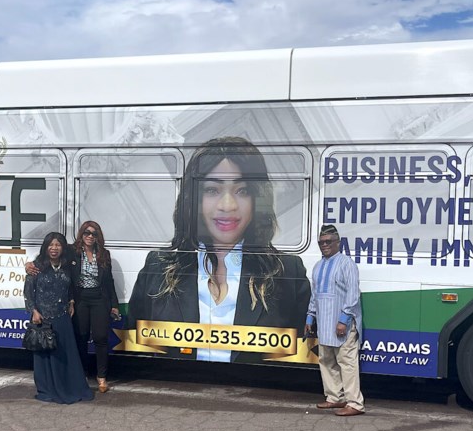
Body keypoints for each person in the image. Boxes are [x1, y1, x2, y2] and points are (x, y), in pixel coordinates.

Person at [127, 136, 310, 363]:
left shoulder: (287, 273)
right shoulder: (158, 268)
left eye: (242, 191)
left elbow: (297, 357)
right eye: (212, 190)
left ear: (257, 198)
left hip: (250, 395)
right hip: (175, 395)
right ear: (194, 198)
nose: (227, 205)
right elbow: (135, 346)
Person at [27, 221, 120, 393]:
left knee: (100, 338)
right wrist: (28, 264)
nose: (90, 236)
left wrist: (114, 305)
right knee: (81, 337)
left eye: (94, 233)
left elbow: (109, 282)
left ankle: (101, 377)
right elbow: (50, 252)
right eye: (86, 233)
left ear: (98, 236)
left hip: (99, 299)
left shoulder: (104, 254)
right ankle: (82, 375)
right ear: (81, 235)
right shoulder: (73, 251)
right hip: (80, 299)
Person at [23, 232, 94, 405]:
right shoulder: (36, 267)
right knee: (45, 356)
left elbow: (69, 287)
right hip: (43, 318)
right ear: (45, 247)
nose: (54, 248)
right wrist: (33, 311)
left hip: (62, 317)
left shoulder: (66, 266)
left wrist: (71, 301)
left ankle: (69, 386)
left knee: (65, 354)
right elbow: (28, 292)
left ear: (63, 248)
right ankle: (47, 389)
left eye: (58, 245)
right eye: (51, 245)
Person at [305, 224, 365, 416]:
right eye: (321, 242)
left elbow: (353, 295)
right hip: (324, 323)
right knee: (326, 360)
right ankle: (334, 398)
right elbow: (315, 295)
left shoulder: (346, 263)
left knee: (347, 362)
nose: (325, 245)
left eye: (328, 241)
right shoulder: (318, 266)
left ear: (338, 242)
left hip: (342, 324)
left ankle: (355, 403)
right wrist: (310, 316)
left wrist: (344, 319)